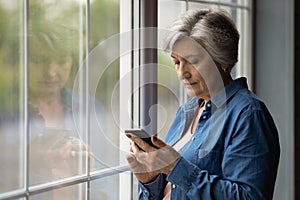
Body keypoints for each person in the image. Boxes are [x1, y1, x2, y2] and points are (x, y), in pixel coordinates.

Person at [125, 8, 280, 200]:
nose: (182, 73)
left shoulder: (248, 114)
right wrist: (150, 180)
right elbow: (175, 190)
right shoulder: (187, 111)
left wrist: (175, 167)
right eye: (176, 62)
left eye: (192, 61)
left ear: (221, 60)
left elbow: (249, 197)